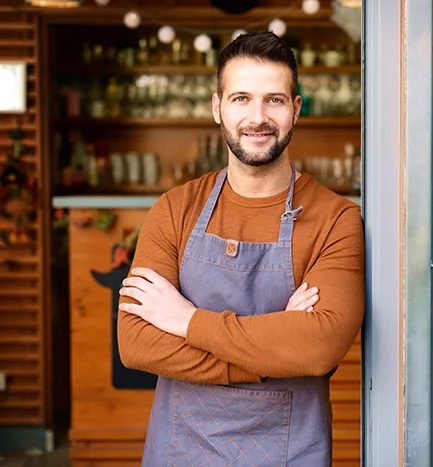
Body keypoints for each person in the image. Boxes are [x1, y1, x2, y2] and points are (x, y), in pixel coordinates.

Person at [117, 31, 365, 467]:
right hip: (181, 450)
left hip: (290, 452)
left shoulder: (335, 219)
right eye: (241, 99)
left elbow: (318, 348)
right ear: (218, 108)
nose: (258, 117)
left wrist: (184, 319)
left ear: (295, 109)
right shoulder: (175, 209)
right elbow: (137, 342)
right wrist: (270, 350)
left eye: (274, 100)